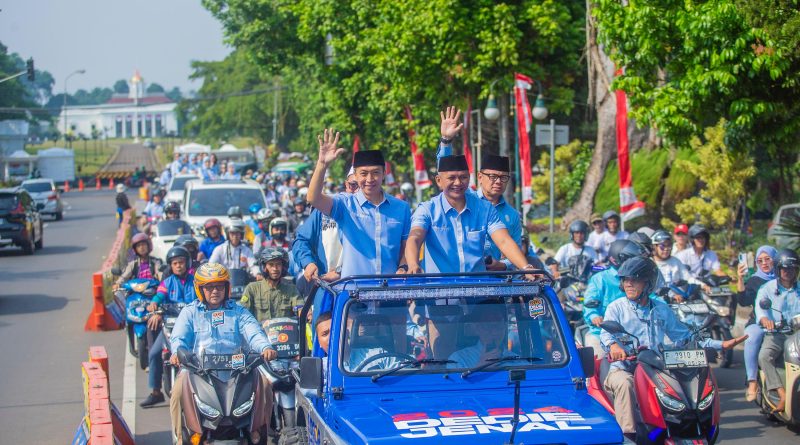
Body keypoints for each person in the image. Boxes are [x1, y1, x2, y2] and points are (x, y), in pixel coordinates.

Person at [600, 257, 746, 435]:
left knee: (683, 387)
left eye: (634, 280)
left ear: (648, 283)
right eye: (626, 280)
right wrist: (614, 346)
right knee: (626, 384)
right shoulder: (616, 307)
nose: (629, 284)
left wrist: (721, 344)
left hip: (657, 368)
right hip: (625, 367)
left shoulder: (661, 308)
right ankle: (627, 435)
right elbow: (606, 333)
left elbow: (684, 337)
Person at [168, 263, 277, 440]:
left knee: (265, 385)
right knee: (177, 392)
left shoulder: (238, 311)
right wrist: (177, 353)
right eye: (209, 287)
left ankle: (260, 432)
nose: (215, 291)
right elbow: (179, 338)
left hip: (239, 372)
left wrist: (265, 347)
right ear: (200, 289)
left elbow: (253, 332)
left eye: (219, 286)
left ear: (227, 287)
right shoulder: (190, 312)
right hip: (197, 371)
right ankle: (181, 438)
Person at [405, 154, 533, 274]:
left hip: (478, 290)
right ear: (439, 181)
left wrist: (526, 268)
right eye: (451, 178)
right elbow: (415, 238)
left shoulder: (485, 209)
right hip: (439, 291)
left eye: (463, 177)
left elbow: (504, 240)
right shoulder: (427, 209)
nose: (458, 183)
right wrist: (412, 264)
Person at [306, 129, 410, 277]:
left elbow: (406, 247)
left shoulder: (401, 208)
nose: (369, 179)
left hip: (391, 291)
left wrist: (403, 267)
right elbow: (313, 198)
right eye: (363, 173)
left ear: (384, 174)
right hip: (355, 293)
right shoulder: (345, 204)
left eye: (375, 172)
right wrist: (322, 164)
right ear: (355, 175)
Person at [435, 108, 522, 271]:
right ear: (480, 177)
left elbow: (515, 252)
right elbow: (447, 171)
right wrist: (446, 140)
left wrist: (502, 265)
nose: (498, 182)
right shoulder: (465, 199)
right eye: (493, 177)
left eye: (504, 178)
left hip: (496, 285)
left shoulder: (512, 215)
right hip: (461, 278)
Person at [140, 246, 195, 408]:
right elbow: (159, 295)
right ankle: (156, 392)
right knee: (155, 353)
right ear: (170, 266)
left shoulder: (196, 281)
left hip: (192, 327)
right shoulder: (167, 282)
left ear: (187, 263)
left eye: (181, 262)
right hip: (170, 326)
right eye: (175, 263)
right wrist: (154, 306)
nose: (178, 266)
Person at [582, 239, 648, 358]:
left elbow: (651, 296)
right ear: (619, 259)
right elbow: (588, 303)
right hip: (601, 334)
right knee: (600, 363)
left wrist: (665, 304)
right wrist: (594, 316)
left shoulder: (638, 278)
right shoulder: (600, 279)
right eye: (631, 260)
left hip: (633, 334)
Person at [755, 248, 800, 413]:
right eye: (784, 268)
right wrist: (765, 320)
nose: (788, 271)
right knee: (764, 356)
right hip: (776, 335)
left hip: (797, 335)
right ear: (778, 269)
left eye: (792, 268)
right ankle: (781, 394)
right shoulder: (767, 289)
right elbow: (761, 308)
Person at [736, 245, 777, 401]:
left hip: (783, 322)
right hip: (759, 321)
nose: (764, 263)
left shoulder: (784, 277)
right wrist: (740, 278)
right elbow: (744, 300)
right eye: (760, 261)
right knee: (752, 337)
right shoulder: (755, 280)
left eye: (768, 259)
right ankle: (752, 381)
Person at [241, 248, 303, 325]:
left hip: (285, 335)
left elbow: (300, 308)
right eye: (271, 265)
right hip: (260, 335)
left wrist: (306, 314)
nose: (275, 268)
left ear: (283, 267)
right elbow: (243, 315)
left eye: (278, 264)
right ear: (264, 267)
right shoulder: (252, 289)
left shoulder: (291, 289)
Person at [447, 301, 518, 368]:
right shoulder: (458, 360)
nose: (494, 332)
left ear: (504, 326)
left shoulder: (519, 362)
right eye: (487, 326)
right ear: (477, 328)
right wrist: (480, 367)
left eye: (498, 325)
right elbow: (454, 380)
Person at [650, 230, 701, 301]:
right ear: (654, 247)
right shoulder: (649, 263)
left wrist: (703, 285)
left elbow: (689, 278)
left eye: (669, 246)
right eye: (662, 246)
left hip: (678, 301)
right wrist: (672, 295)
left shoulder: (675, 261)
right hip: (657, 303)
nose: (666, 249)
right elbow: (652, 287)